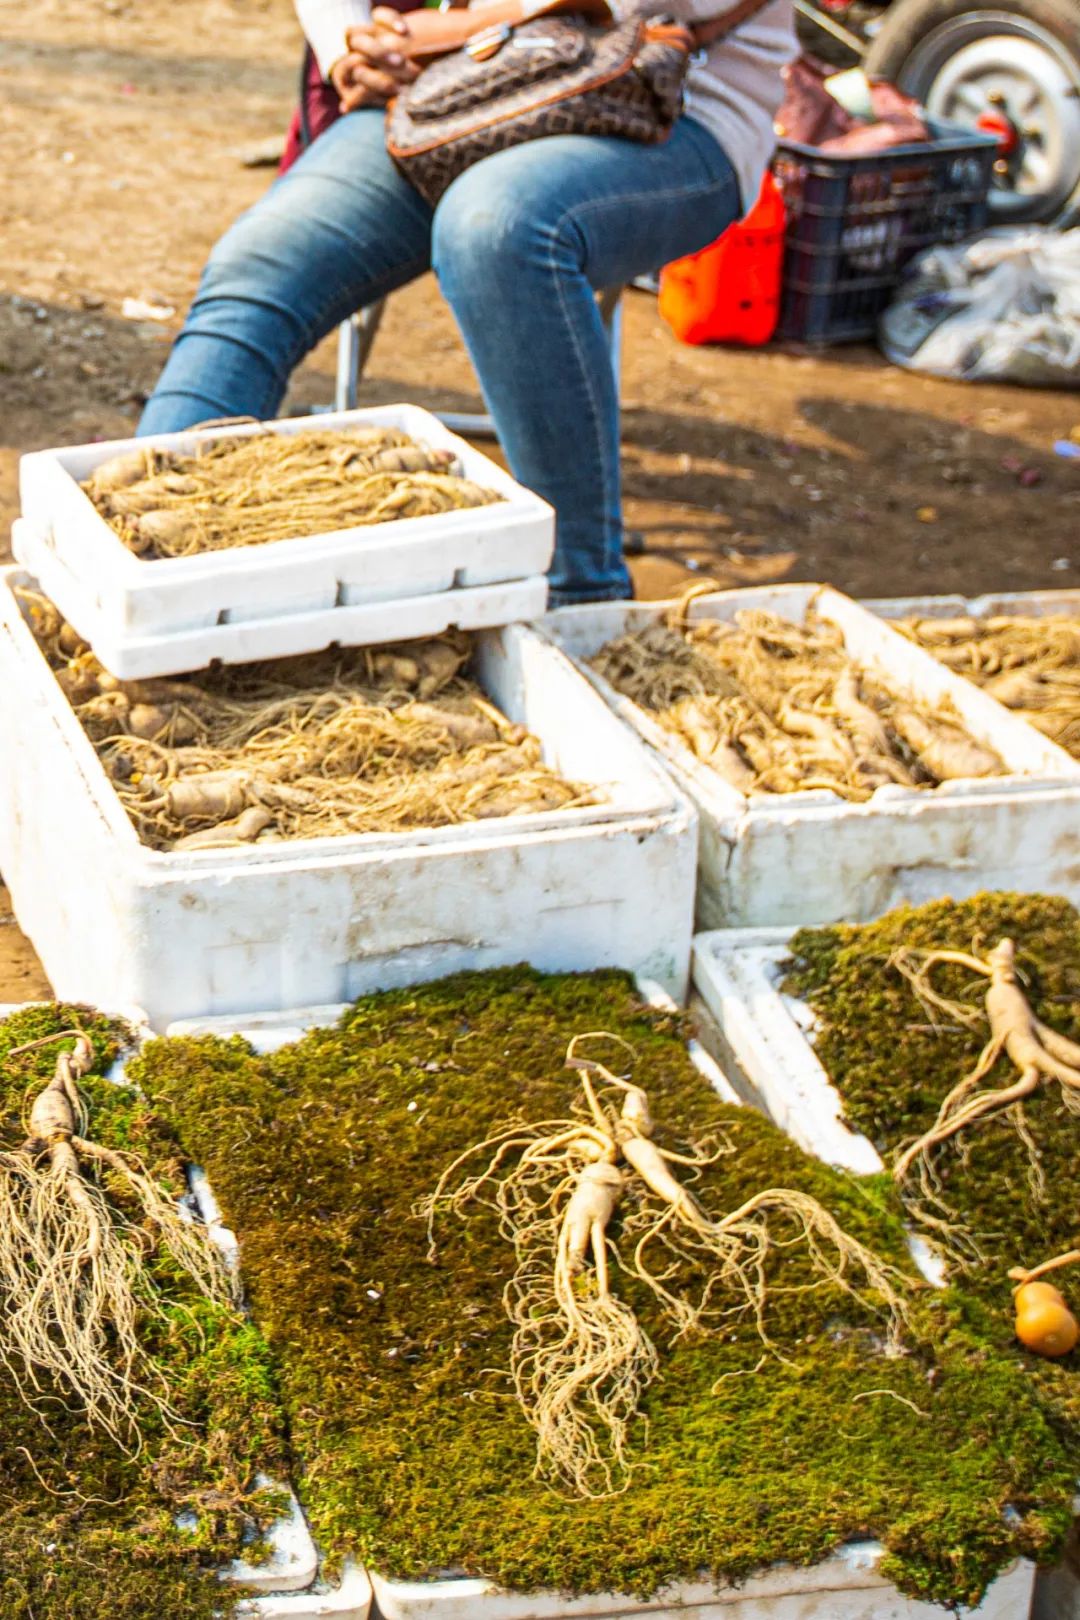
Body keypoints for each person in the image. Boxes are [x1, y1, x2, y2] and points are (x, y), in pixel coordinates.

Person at [138, 0, 797, 605]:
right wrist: (353, 47)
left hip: (668, 102)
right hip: (470, 89)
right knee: (263, 259)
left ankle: (580, 604)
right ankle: (141, 563)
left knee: (496, 230)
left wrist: (453, 28)